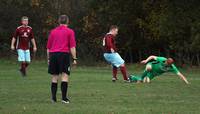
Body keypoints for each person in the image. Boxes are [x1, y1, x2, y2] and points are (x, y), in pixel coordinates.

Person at [47, 15, 77, 104]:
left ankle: (53, 98)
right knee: (64, 75)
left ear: (59, 21)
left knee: (54, 76)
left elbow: (48, 47)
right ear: (68, 21)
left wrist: (48, 58)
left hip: (53, 55)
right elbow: (72, 46)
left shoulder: (53, 31)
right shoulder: (70, 31)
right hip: (64, 55)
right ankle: (64, 98)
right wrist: (74, 58)